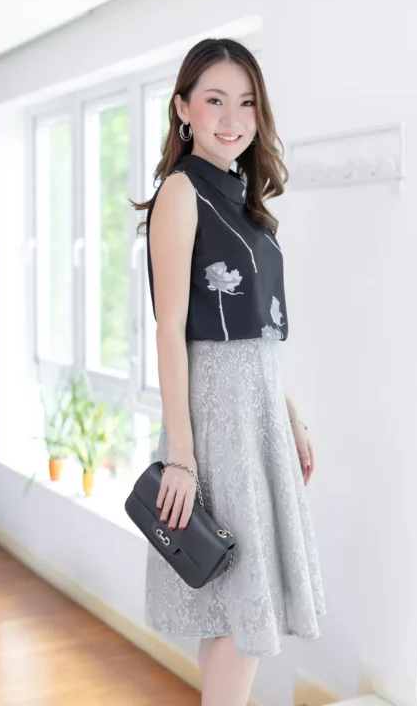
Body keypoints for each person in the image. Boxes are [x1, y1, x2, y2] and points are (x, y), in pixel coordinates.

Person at [131, 37, 326, 706]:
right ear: (183, 108)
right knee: (240, 612)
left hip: (258, 410)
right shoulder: (181, 192)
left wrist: (289, 415)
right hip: (216, 418)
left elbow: (253, 330)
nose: (232, 118)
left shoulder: (244, 198)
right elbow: (171, 329)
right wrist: (182, 457)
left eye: (246, 103)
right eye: (214, 100)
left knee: (241, 611)